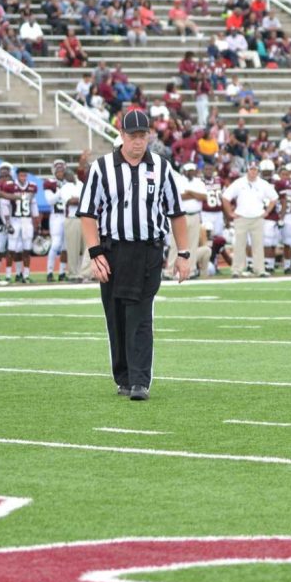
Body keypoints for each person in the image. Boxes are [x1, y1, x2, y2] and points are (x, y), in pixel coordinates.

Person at [76, 111, 191, 400]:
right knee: (116, 316)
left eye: (143, 135)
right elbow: (88, 213)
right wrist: (95, 253)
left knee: (140, 315)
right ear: (122, 135)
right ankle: (124, 376)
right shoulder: (102, 168)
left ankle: (140, 380)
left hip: (148, 250)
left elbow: (176, 213)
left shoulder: (162, 168)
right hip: (113, 250)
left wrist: (184, 253)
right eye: (133, 135)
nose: (138, 141)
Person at [222, 160, 278, 278]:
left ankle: (260, 269)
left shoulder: (263, 183)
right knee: (239, 245)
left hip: (257, 217)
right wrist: (230, 213)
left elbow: (274, 198)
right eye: (251, 169)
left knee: (258, 245)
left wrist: (267, 211)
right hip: (241, 217)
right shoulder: (239, 183)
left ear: (258, 171)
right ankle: (237, 270)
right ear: (247, 170)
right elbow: (226, 197)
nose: (253, 172)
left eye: (255, 170)